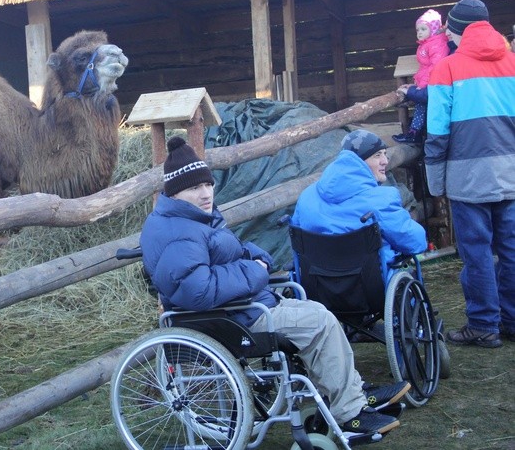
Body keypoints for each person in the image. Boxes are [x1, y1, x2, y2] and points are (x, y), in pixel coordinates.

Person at [140, 136, 410, 438]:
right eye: (195, 188)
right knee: (318, 322)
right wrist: (254, 272)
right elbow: (198, 289)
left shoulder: (193, 220)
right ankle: (350, 414)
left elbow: (231, 254)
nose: (206, 194)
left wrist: (256, 259)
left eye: (208, 185)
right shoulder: (179, 232)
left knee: (318, 312)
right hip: (229, 319)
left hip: (240, 308)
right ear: (175, 193)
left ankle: (349, 394)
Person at [425, 0, 515, 348]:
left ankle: (482, 325)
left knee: (476, 252)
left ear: (458, 29)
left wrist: (436, 183)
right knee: (511, 250)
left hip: (468, 179)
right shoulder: (512, 62)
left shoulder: (446, 68)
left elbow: (438, 132)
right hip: (511, 175)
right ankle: (511, 321)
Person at [292, 129, 427, 284]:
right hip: (372, 289)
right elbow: (415, 242)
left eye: (384, 153)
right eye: (377, 155)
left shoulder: (306, 197)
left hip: (317, 288)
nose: (385, 161)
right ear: (357, 161)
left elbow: (297, 244)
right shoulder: (381, 200)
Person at [393, 9, 450, 144]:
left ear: (434, 29)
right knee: (421, 106)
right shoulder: (428, 44)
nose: (419, 32)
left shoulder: (437, 44)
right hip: (426, 84)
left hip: (433, 84)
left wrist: (422, 86)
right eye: (418, 29)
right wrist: (416, 84)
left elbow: (435, 67)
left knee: (422, 105)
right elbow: (425, 68)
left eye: (423, 29)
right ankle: (415, 133)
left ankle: (415, 133)